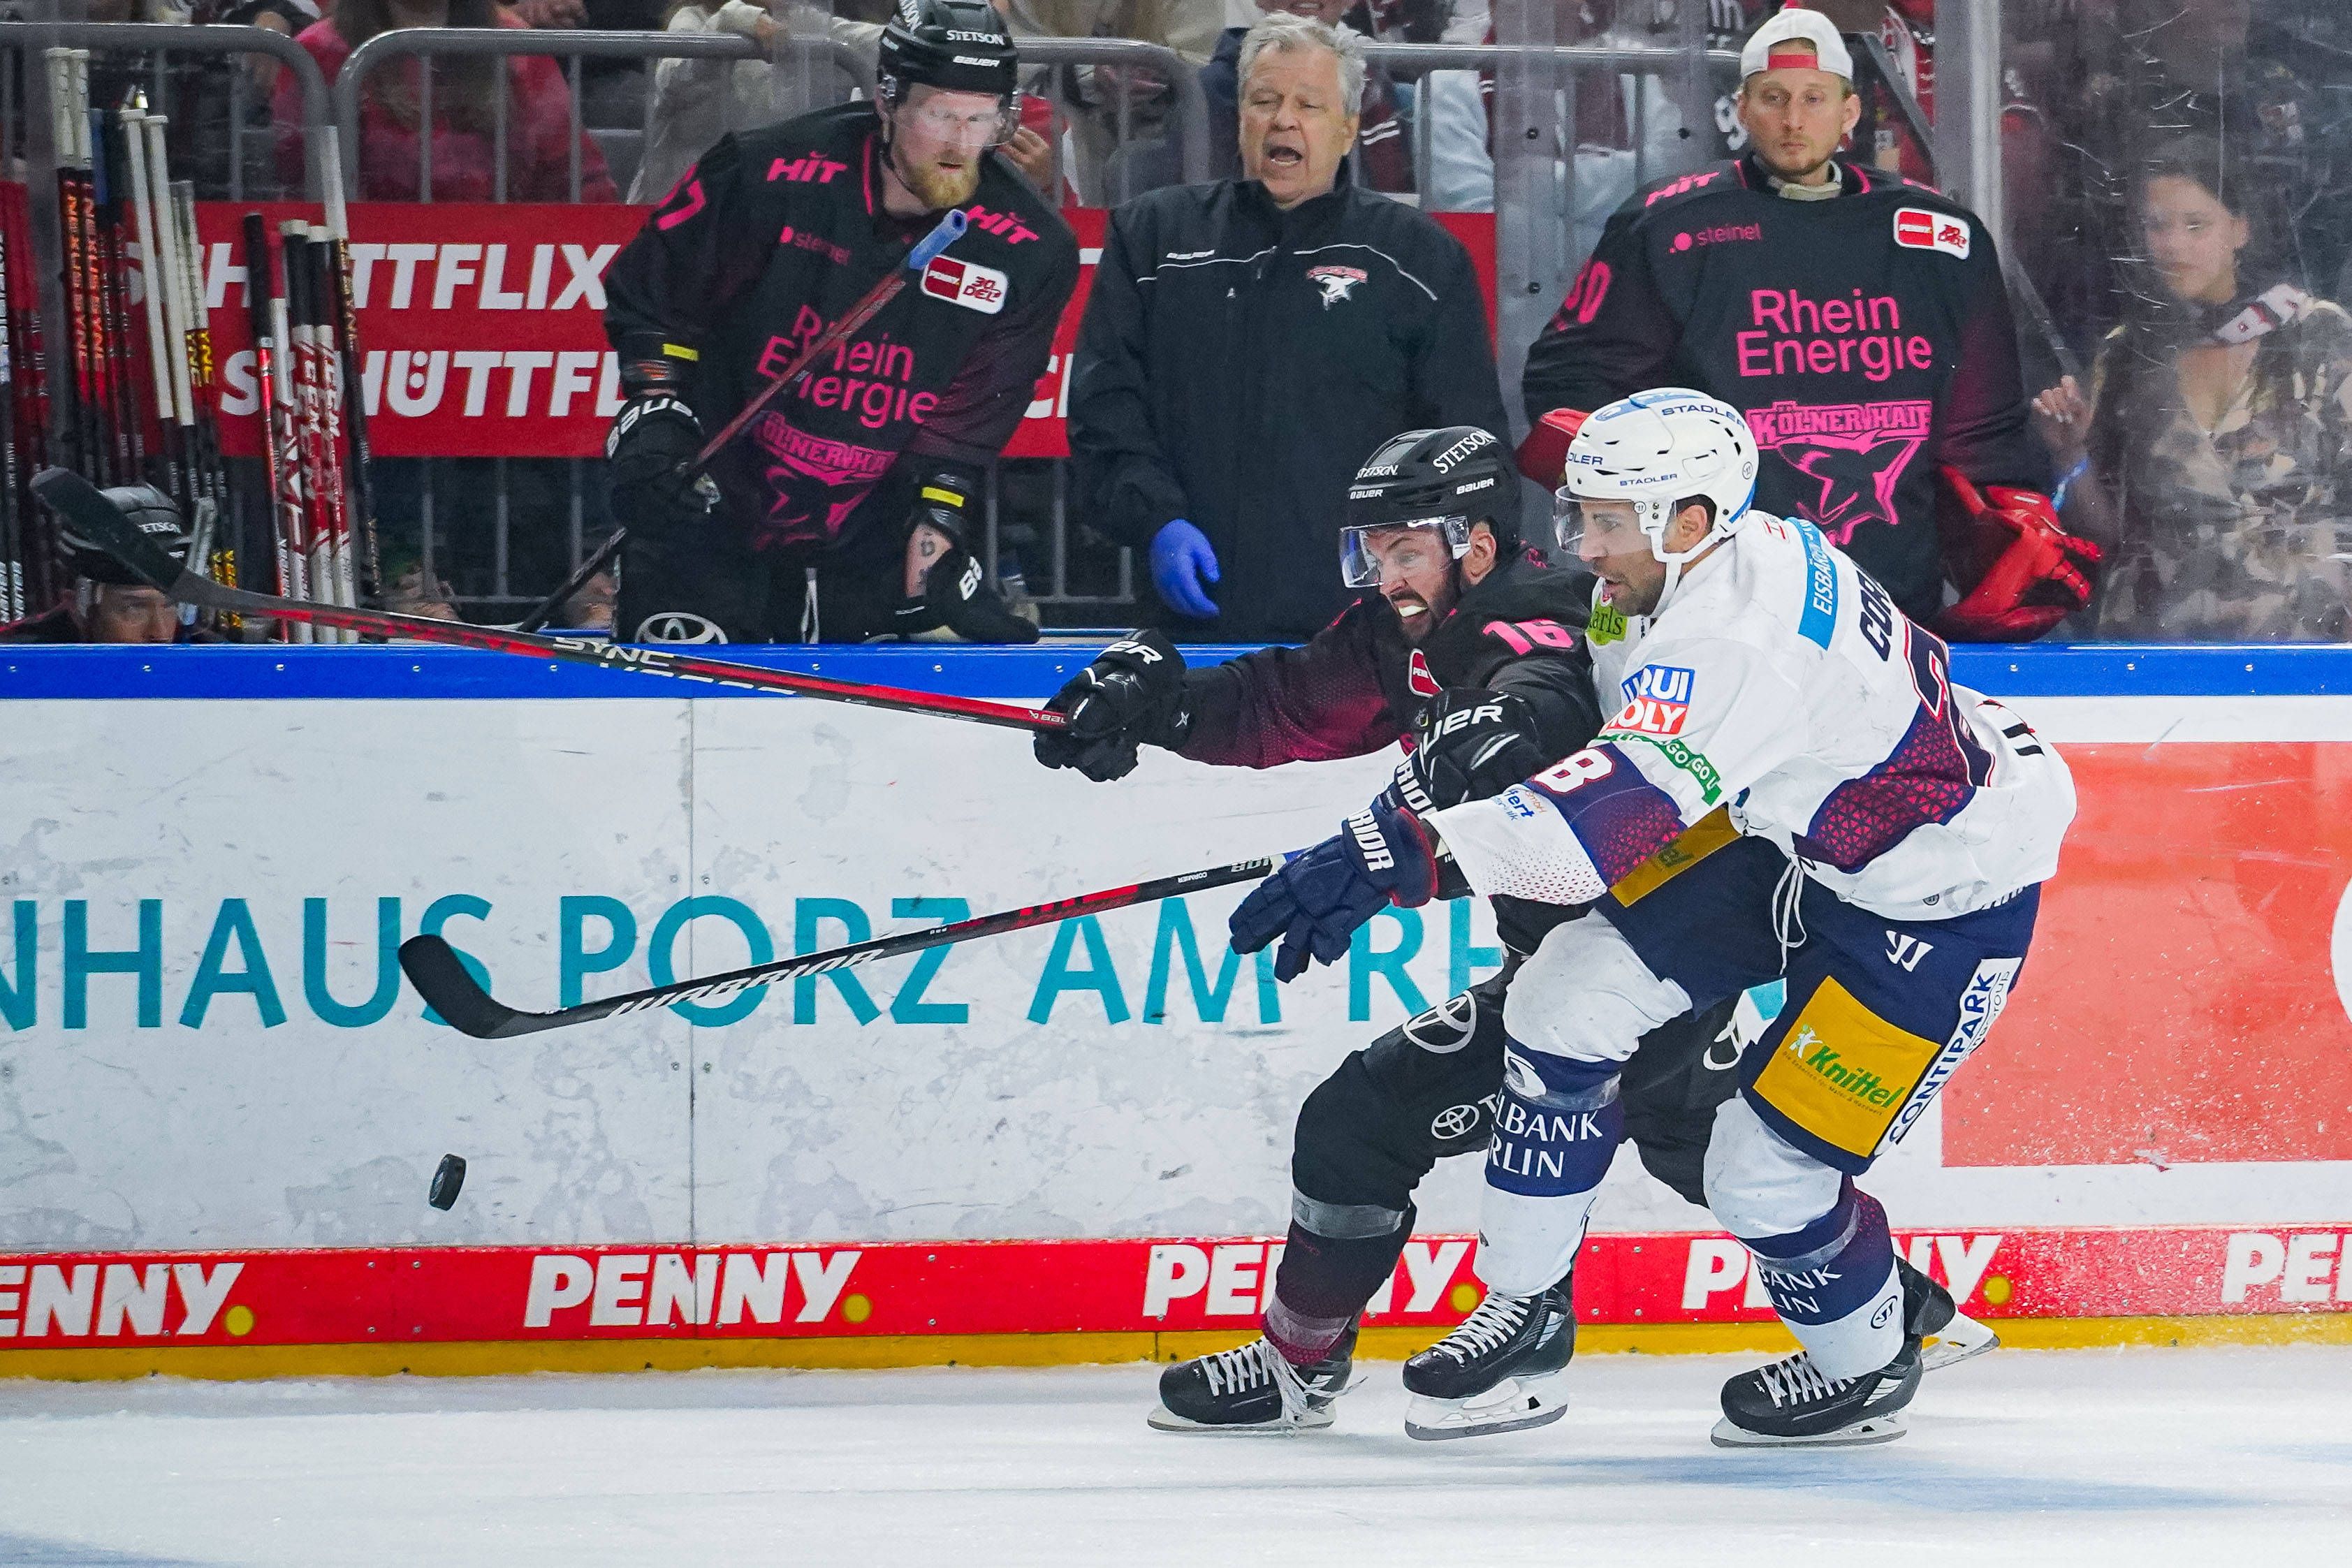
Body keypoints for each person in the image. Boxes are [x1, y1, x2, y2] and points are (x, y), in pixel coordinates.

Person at [1034, 424, 1977, 1436]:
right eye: (1367, 551)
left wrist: (1397, 840)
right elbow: (1287, 705)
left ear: (1473, 546)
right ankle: (1902, 1316)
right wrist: (1161, 705)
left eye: (1402, 551)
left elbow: (1532, 732)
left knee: (1365, 1120)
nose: (1380, 574)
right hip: (1607, 958)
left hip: (1645, 955)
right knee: (1703, 1150)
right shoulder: (1405, 631)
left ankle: (1390, 1355)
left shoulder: (1531, 623)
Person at [1231, 389, 2066, 1448]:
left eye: (1605, 523)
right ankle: (1525, 1309)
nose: (1580, 546)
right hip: (1786, 841)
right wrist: (1457, 780)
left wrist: (1390, 846)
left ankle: (1866, 1367)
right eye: (1579, 513)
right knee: (1563, 993)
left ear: (1687, 519)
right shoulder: (1694, 560)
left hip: (1939, 896)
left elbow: (1592, 828)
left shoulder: (1733, 639)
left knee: (1758, 1178)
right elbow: (1607, 739)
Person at [1517, 6, 2097, 643]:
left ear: (1849, 113)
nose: (1794, 120)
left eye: (1814, 98)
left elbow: (1981, 433)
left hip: (1895, 613)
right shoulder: (1669, 228)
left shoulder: (1942, 239)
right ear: (1741, 108)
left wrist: (2013, 527)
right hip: (1717, 611)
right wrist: (1641, 498)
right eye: (1773, 98)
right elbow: (1566, 392)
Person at [600, 0, 1078, 644]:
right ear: (887, 101)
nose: (961, 144)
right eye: (939, 114)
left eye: (981, 119)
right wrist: (655, 418)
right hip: (706, 502)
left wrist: (934, 547)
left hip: (866, 533)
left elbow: (959, 433)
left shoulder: (1029, 247)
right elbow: (655, 298)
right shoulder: (765, 172)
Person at [1069, 12, 1507, 645]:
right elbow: (1104, 406)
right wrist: (1157, 520)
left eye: (1309, 104)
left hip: (1363, 632)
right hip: (1194, 621)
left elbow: (1466, 439)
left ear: (1349, 128)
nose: (1284, 120)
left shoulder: (1418, 256)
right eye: (1264, 101)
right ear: (1240, 117)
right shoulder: (1153, 236)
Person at [2031, 138, 2352, 642]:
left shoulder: (2317, 337)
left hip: (2303, 657)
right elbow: (2106, 538)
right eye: (2156, 226)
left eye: (2195, 225)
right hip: (2158, 657)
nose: (2173, 245)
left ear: (2239, 230)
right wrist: (2069, 454)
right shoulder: (2126, 357)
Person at [629, 0, 1056, 205]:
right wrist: (737, 21)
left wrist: (954, 37)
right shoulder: (691, 24)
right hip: (675, 206)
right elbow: (673, 80)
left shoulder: (806, 25)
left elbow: (882, 44)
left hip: (764, 210)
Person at [277, 0, 620, 203]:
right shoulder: (316, 53)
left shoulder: (517, 46)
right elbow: (300, 191)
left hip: (509, 266)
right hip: (368, 271)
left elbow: (579, 179)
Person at [1, 485, 208, 646]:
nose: (161, 634)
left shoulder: (214, 656)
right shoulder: (15, 660)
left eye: (171, 606)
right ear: (76, 608)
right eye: (134, 608)